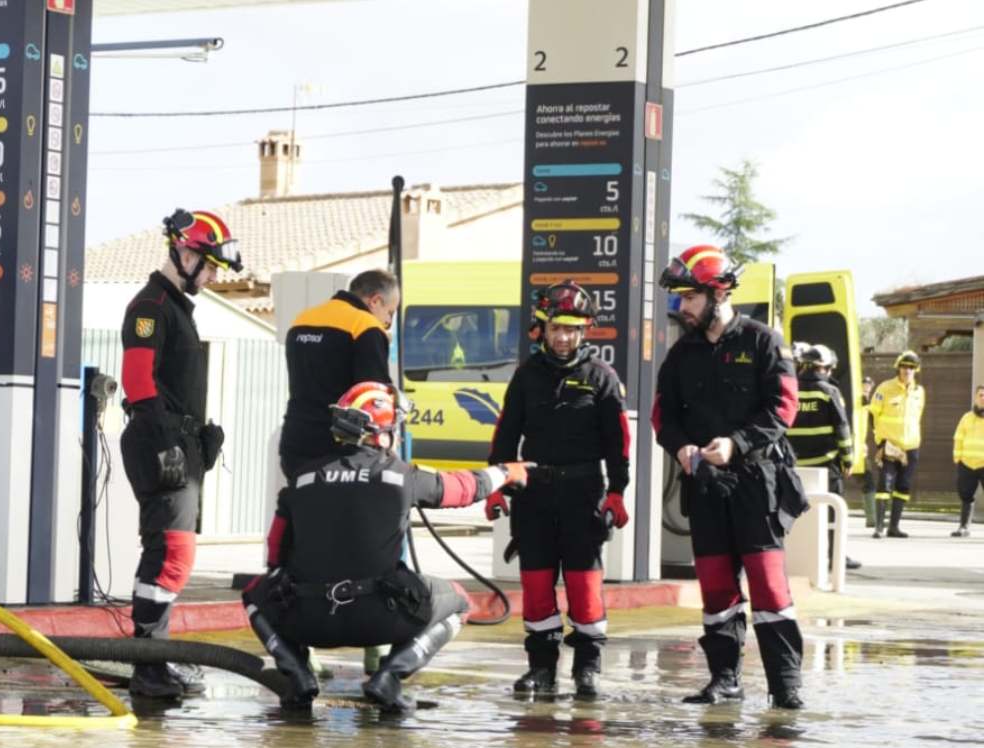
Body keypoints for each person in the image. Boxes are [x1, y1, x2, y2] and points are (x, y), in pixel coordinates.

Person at [242, 381, 532, 712]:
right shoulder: (400, 475)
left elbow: (275, 553)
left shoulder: (301, 478)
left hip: (308, 620)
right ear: (382, 434)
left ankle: (297, 674)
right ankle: (389, 678)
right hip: (380, 618)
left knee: (254, 594)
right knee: (460, 602)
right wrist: (507, 472)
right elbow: (465, 488)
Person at [652, 244, 808, 710]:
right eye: (680, 299)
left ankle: (786, 687)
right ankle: (724, 680)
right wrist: (680, 447)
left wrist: (736, 444)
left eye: (689, 298)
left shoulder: (764, 341)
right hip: (704, 486)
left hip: (757, 483)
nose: (681, 308)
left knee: (769, 589)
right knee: (716, 589)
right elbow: (664, 416)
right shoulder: (681, 355)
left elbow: (784, 408)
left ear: (717, 293)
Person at [118, 209, 242, 698]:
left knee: (172, 554)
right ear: (184, 252)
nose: (211, 277)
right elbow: (137, 381)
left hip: (177, 443)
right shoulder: (150, 307)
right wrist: (168, 442)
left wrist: (196, 438)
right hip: (158, 442)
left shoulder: (177, 308)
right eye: (208, 265)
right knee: (170, 554)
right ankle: (148, 664)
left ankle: (155, 659)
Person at [487, 281, 630, 700]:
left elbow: (618, 445)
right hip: (533, 494)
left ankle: (588, 669)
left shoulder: (602, 378)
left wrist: (617, 491)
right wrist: (496, 485)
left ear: (584, 331)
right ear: (542, 329)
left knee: (585, 585)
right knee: (535, 583)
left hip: (584, 492)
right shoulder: (526, 376)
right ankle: (541, 669)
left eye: (571, 329)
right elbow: (504, 436)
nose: (563, 337)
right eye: (556, 328)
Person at [279, 269, 399, 478]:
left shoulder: (303, 320)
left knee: (301, 507)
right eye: (390, 313)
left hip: (296, 439)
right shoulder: (365, 326)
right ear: (376, 301)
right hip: (338, 450)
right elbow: (374, 399)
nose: (387, 323)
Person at [786, 344, 861, 570]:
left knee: (794, 511)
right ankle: (835, 556)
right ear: (825, 368)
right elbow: (842, 429)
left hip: (794, 465)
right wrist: (848, 460)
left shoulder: (790, 389)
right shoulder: (829, 392)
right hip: (826, 465)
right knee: (832, 512)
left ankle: (793, 556)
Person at [869, 350, 926, 539]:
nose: (907, 370)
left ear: (916, 370)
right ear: (898, 367)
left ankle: (894, 527)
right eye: (904, 366)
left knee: (903, 486)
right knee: (884, 485)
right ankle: (879, 527)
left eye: (911, 367)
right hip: (889, 446)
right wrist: (880, 442)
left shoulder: (919, 392)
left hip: (911, 447)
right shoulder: (884, 388)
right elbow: (872, 415)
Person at [951, 385, 984, 537]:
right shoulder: (966, 417)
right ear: (976, 397)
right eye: (980, 395)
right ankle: (963, 527)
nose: (983, 398)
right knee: (966, 496)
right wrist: (958, 458)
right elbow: (958, 438)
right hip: (967, 464)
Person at [858, 376, 877, 529]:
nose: (866, 388)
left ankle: (872, 518)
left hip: (859, 450)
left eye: (869, 386)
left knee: (868, 481)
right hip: (851, 448)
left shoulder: (868, 404)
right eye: (864, 385)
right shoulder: (858, 401)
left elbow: (874, 425)